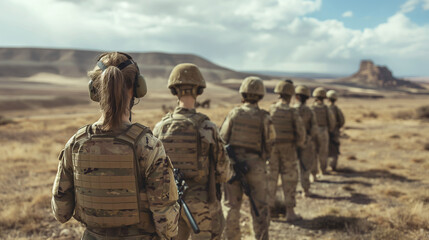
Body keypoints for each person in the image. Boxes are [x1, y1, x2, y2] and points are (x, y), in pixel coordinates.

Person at [51, 52, 180, 240]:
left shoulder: (76, 143)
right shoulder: (148, 145)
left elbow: (61, 212)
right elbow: (167, 225)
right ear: (137, 88)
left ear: (94, 90)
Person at [153, 63, 231, 240]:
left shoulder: (159, 128)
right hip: (202, 206)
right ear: (198, 90)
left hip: (170, 206)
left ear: (174, 91)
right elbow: (224, 173)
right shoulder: (207, 127)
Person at [220, 76, 275, 240]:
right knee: (260, 206)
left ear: (242, 93)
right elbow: (270, 143)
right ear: (260, 95)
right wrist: (260, 160)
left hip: (233, 165)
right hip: (256, 165)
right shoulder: (264, 117)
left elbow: (222, 139)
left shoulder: (234, 114)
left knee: (230, 206)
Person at [268, 80, 305, 221]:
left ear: (278, 94)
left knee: (271, 179)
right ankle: (290, 213)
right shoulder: (292, 112)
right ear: (290, 95)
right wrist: (298, 145)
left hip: (272, 149)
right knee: (289, 180)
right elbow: (301, 132)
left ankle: (270, 211)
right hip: (288, 149)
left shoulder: (271, 109)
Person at [294, 85, 318, 197]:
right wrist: (308, 138)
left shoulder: (292, 110)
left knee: (291, 168)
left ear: (296, 97)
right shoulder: (310, 111)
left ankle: (291, 191)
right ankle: (305, 190)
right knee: (305, 167)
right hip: (306, 142)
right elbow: (314, 128)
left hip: (292, 143)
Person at [311, 87, 336, 176]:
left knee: (313, 153)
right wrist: (329, 130)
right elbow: (331, 121)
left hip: (313, 132)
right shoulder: (326, 108)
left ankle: (313, 173)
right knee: (323, 152)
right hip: (323, 131)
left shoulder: (311, 108)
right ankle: (323, 170)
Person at [326, 90, 345, 171]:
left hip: (325, 131)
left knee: (324, 148)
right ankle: (333, 166)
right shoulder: (337, 109)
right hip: (335, 132)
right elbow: (342, 121)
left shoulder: (325, 108)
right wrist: (336, 128)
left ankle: (324, 166)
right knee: (335, 150)